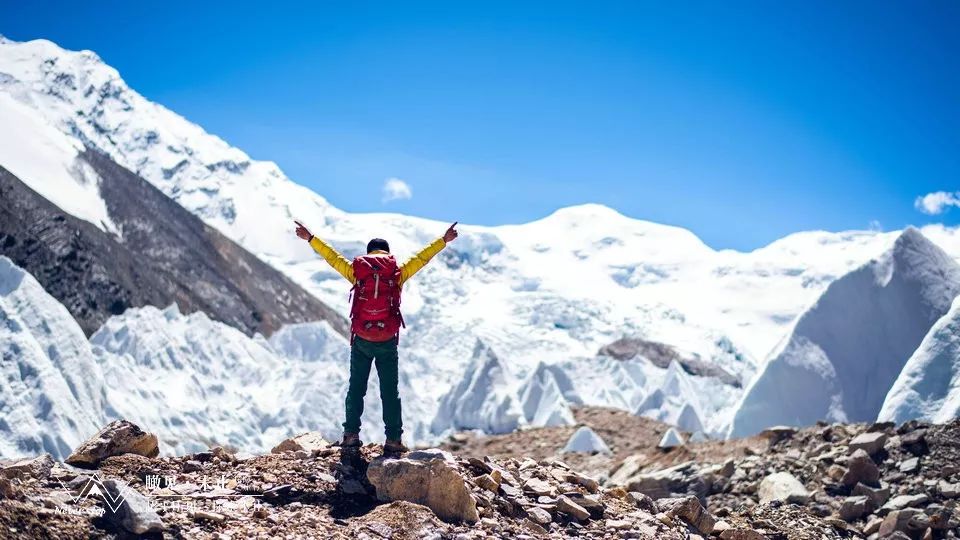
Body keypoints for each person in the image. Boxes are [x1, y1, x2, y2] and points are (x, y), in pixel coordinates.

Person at [294, 220, 459, 453]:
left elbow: (332, 257)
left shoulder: (357, 272)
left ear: (368, 253)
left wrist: (311, 238)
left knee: (356, 388)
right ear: (387, 253)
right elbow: (422, 258)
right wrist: (443, 240)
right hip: (387, 340)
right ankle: (393, 440)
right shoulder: (397, 273)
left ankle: (350, 435)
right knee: (390, 392)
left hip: (362, 338)